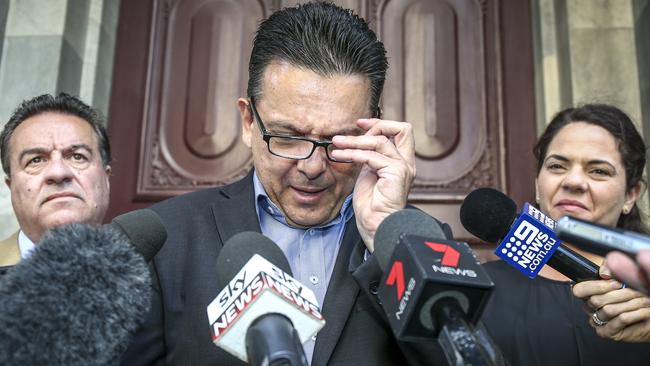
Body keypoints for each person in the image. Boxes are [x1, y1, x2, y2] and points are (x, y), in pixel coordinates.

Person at [121, 2, 451, 366]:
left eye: (338, 141)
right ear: (248, 122)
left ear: (372, 132)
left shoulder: (424, 246)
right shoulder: (167, 240)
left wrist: (387, 238)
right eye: (287, 138)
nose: (312, 167)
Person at [480, 104, 650, 365]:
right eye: (558, 166)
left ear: (631, 195)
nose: (573, 182)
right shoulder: (482, 289)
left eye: (598, 171)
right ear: (538, 185)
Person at [0, 93, 111, 273]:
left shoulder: (153, 278)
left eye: (77, 157)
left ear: (106, 179)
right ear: (11, 186)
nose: (58, 173)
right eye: (35, 160)